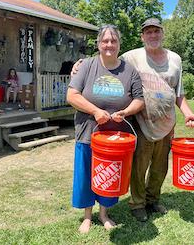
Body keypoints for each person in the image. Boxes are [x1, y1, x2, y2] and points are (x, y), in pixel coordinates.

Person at [121, 18, 194, 222]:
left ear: (163, 34)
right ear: (142, 36)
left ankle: (152, 199)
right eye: (148, 32)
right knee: (139, 166)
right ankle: (137, 204)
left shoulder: (175, 59)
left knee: (160, 167)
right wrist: (81, 64)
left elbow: (178, 94)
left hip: (167, 125)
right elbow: (108, 63)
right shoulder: (131, 57)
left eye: (157, 31)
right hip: (141, 123)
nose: (153, 35)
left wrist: (188, 113)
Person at [67, 25, 144, 233]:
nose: (109, 45)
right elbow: (72, 95)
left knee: (109, 175)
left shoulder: (129, 70)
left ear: (119, 44)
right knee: (86, 175)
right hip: (87, 133)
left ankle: (104, 214)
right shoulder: (86, 66)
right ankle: (87, 216)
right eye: (105, 41)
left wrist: (126, 112)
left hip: (116, 138)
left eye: (113, 41)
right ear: (99, 44)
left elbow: (139, 100)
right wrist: (95, 111)